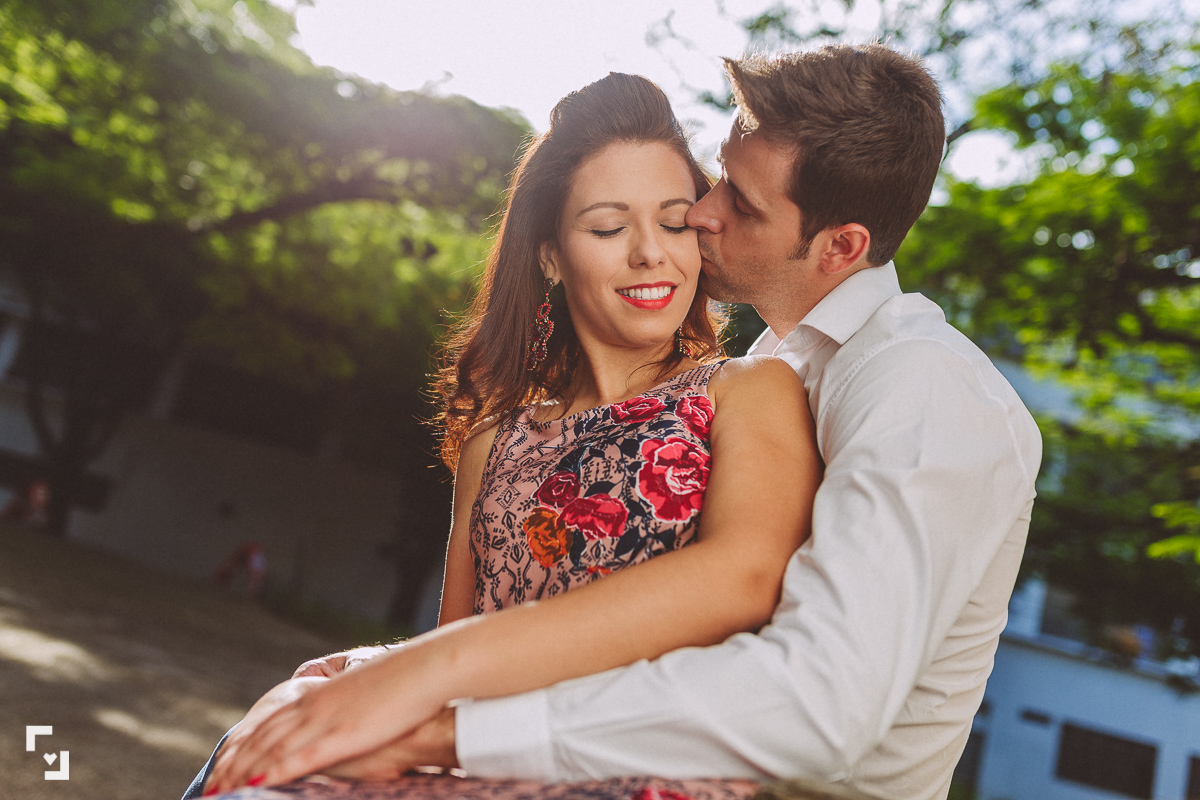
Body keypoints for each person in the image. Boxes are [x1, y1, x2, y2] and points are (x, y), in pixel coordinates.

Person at [203, 43, 1042, 800]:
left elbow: (814, 701)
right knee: (280, 726)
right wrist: (398, 685)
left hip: (781, 784)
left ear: (841, 246)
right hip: (616, 741)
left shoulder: (919, 393)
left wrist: (442, 718)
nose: (702, 217)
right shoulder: (787, 366)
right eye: (710, 183)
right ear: (552, 252)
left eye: (732, 206)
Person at [193, 73, 818, 797]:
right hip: (482, 750)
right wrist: (329, 689)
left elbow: (748, 576)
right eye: (610, 227)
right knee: (262, 756)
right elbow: (456, 649)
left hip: (648, 761)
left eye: (676, 221)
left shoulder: (748, 390)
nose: (651, 252)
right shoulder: (496, 440)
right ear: (550, 255)